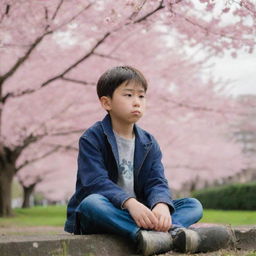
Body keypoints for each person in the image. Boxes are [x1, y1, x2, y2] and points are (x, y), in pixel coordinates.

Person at [64, 66, 204, 255]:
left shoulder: (148, 141)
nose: (137, 102)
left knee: (193, 205)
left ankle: (160, 234)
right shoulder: (92, 137)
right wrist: (129, 203)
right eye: (128, 95)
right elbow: (95, 182)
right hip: (108, 213)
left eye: (141, 96)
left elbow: (157, 180)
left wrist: (160, 204)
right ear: (107, 103)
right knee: (91, 204)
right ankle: (167, 233)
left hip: (142, 213)